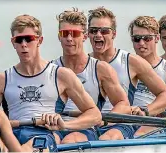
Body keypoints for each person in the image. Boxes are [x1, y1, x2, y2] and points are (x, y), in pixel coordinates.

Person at [0, 14, 102, 151]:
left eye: (29, 39)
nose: (24, 44)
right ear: (13, 43)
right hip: (11, 133)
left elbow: (95, 115)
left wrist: (65, 126)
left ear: (39, 41)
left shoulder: (60, 75)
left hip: (43, 134)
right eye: (19, 40)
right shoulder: (1, 80)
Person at [87, 6, 166, 140]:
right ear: (88, 34)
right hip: (89, 125)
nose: (98, 35)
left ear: (114, 34)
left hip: (119, 125)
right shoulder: (83, 63)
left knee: (107, 138)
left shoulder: (131, 62)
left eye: (104, 31)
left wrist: (146, 111)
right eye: (94, 31)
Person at [51, 8, 131, 144]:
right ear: (59, 36)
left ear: (85, 36)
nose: (69, 38)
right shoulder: (51, 68)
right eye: (65, 34)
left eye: (75, 34)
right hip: (54, 127)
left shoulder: (101, 69)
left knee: (70, 141)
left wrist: (106, 119)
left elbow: (123, 103)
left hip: (86, 128)